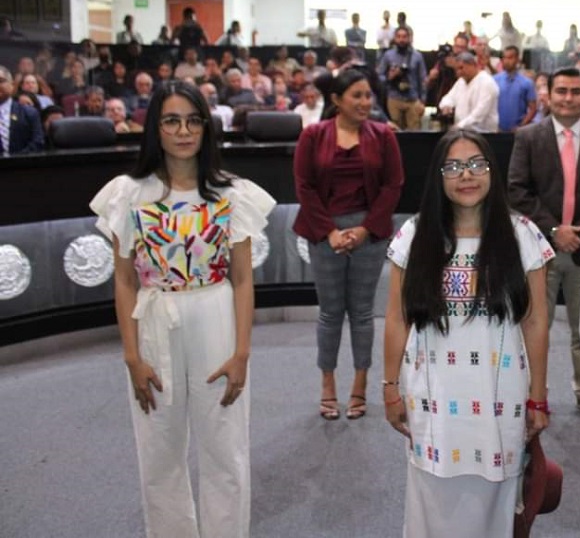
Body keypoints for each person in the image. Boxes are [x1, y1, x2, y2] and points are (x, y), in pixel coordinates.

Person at [89, 80, 275, 537]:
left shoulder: (231, 193)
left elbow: (243, 279)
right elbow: (125, 280)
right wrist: (132, 357)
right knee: (159, 453)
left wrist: (242, 353)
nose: (184, 131)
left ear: (207, 127)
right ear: (155, 127)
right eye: (171, 121)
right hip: (154, 322)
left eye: (193, 121)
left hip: (217, 318)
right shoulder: (129, 193)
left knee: (225, 450)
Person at [382, 128, 551, 537]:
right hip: (432, 398)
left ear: (493, 170)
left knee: (492, 508)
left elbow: (534, 322)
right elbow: (397, 319)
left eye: (477, 164)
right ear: (438, 176)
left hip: (499, 398)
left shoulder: (523, 234)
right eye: (453, 166)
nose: (466, 175)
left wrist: (538, 397)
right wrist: (389, 388)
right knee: (432, 504)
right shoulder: (414, 236)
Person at [508, 67, 580, 422]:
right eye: (561, 91)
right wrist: (555, 229)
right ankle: (532, 395)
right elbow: (516, 190)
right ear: (549, 94)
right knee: (534, 326)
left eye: (575, 91)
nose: (568, 98)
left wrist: (579, 233)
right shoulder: (528, 137)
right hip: (538, 249)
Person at [293, 69, 403, 421]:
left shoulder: (383, 135)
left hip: (369, 233)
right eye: (357, 95)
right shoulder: (313, 135)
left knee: (362, 313)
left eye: (368, 95)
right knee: (330, 313)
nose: (365, 102)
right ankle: (327, 384)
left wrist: (366, 229)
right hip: (323, 233)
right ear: (337, 100)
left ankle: (360, 383)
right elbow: (304, 186)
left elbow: (393, 185)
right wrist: (330, 232)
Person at [377, 26, 427, 130]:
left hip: (413, 99)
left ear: (409, 38)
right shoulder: (388, 55)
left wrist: (423, 101)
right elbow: (379, 76)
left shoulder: (417, 56)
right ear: (395, 38)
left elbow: (423, 79)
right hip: (394, 99)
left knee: (415, 133)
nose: (401, 40)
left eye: (404, 37)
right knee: (395, 133)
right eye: (398, 37)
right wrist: (389, 77)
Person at [437, 52, 500, 132]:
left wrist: (459, 125)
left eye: (461, 68)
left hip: (483, 133)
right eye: (456, 69)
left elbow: (480, 113)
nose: (458, 72)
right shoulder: (461, 82)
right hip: (461, 131)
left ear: (473, 65)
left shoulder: (487, 82)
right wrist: (446, 106)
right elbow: (449, 97)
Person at [1, 66, 45, 155]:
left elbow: (37, 142)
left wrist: (16, 160)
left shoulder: (29, 113)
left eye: (1, 81)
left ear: (12, 85)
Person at [494, 46, 537, 132]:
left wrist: (522, 126)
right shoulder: (495, 80)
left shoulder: (526, 83)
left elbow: (533, 109)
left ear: (517, 60)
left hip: (518, 131)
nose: (506, 61)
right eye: (504, 58)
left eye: (510, 58)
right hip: (497, 129)